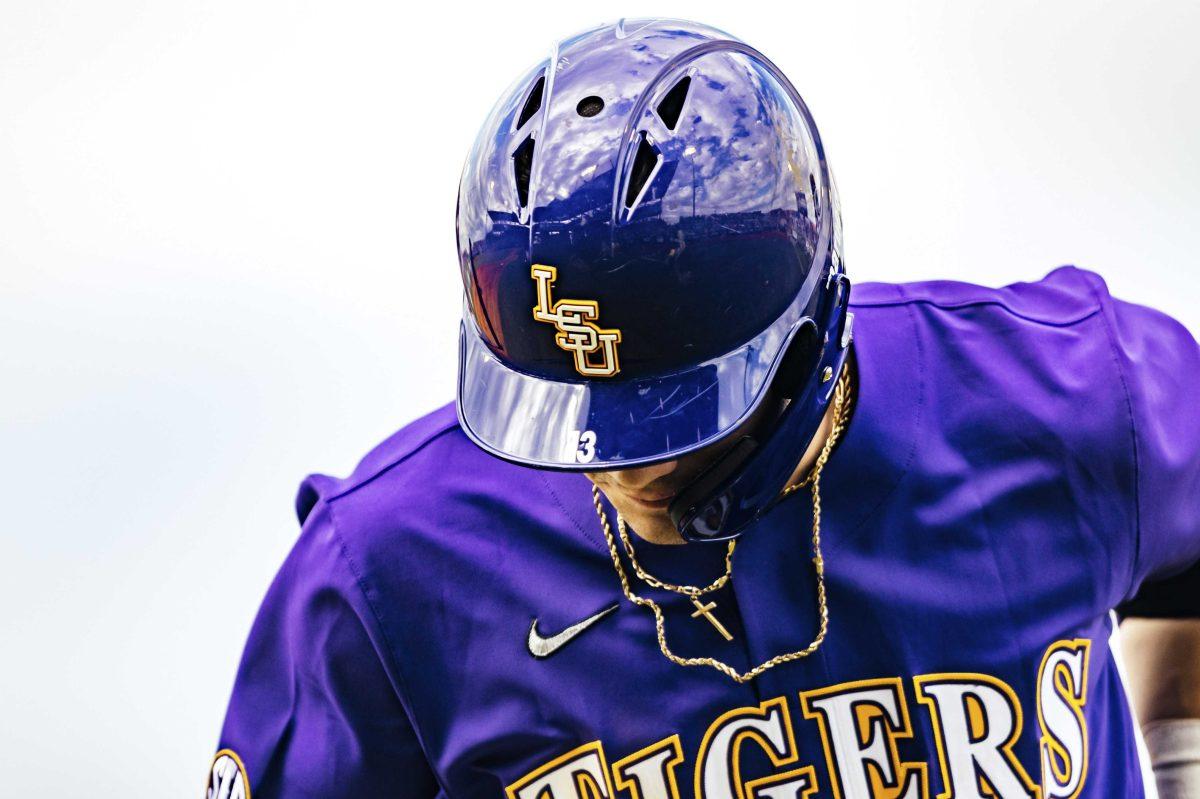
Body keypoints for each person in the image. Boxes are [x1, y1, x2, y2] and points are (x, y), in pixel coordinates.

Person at [206, 18, 1200, 799]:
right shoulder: (388, 566)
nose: (616, 466)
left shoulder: (1069, 396)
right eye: (569, 408)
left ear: (806, 340)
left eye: (670, 418)